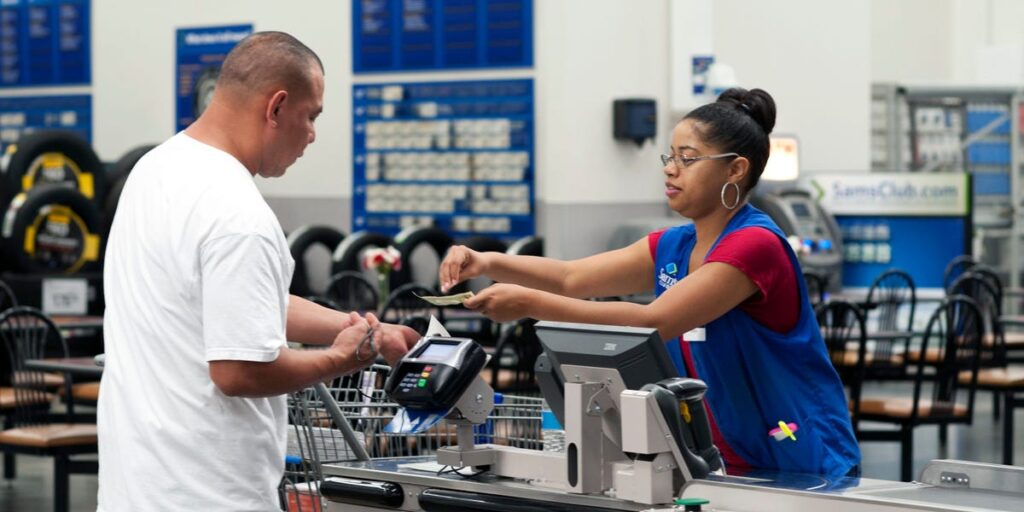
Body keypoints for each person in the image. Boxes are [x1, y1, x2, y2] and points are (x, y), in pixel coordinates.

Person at [438, 88, 860, 477]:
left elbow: (653, 322)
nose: (671, 170)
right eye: (669, 157)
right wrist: (486, 260)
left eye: (688, 158)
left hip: (800, 457)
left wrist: (531, 304)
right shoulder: (674, 244)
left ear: (735, 169)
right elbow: (571, 277)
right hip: (722, 458)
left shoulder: (754, 245)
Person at [97, 32, 420, 511]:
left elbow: (244, 302)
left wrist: (365, 329)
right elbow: (240, 370)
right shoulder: (238, 216)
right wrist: (344, 358)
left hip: (136, 486)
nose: (312, 134)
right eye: (311, 116)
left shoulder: (154, 170)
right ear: (276, 107)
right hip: (208, 494)